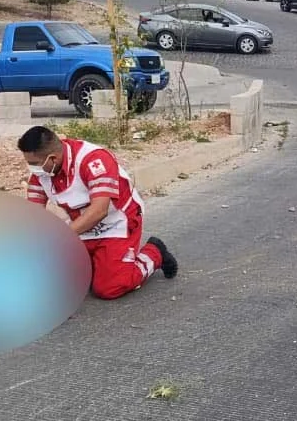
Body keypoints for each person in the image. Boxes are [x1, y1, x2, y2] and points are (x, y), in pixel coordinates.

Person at [17, 125, 177, 299]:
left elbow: (99, 210)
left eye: (34, 164)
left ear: (53, 158)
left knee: (109, 287)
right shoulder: (43, 174)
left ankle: (154, 254)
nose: (32, 169)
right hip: (82, 228)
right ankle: (96, 263)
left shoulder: (93, 160)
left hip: (117, 224)